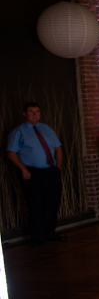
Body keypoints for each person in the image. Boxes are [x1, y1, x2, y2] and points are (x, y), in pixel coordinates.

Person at [6, 102, 65, 247]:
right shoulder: (18, 132)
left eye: (37, 111)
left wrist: (58, 167)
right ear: (24, 114)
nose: (35, 114)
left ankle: (50, 232)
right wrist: (23, 169)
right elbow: (11, 153)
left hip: (50, 170)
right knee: (35, 204)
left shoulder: (46, 129)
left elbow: (58, 148)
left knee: (52, 202)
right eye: (31, 111)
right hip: (32, 172)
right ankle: (38, 236)